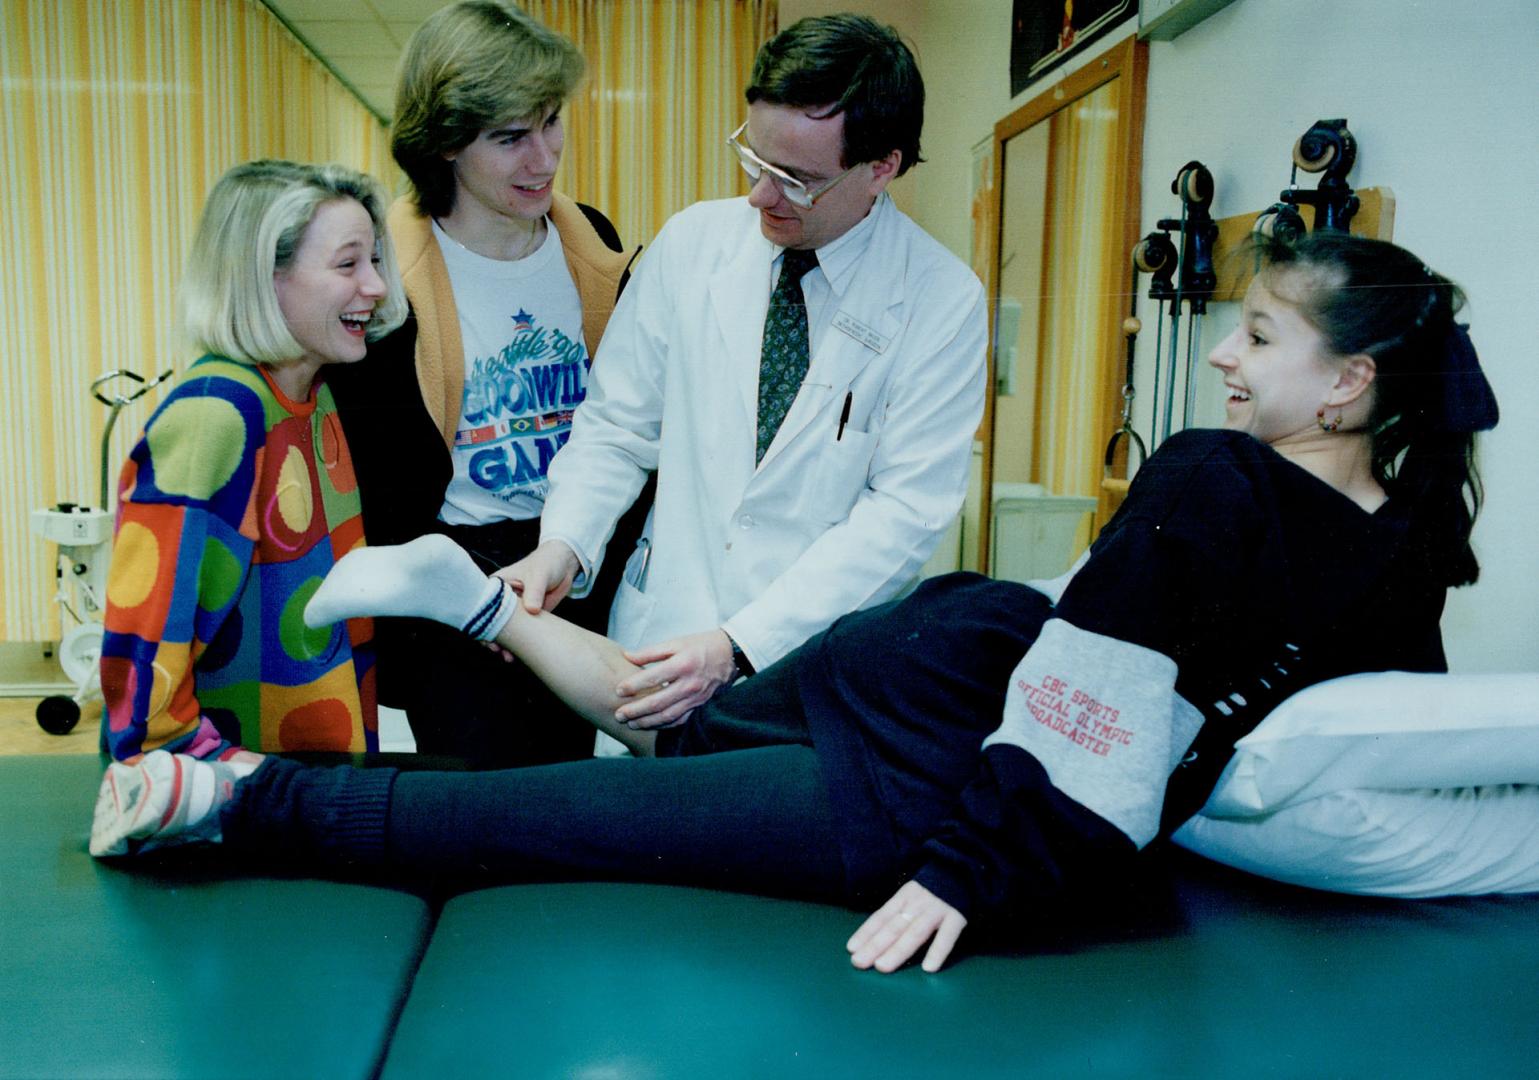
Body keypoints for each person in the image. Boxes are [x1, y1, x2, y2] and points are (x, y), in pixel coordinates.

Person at [91, 232, 1498, 973]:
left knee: (544, 811)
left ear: (1353, 385)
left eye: (1258, 337)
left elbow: (1134, 703)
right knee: (656, 727)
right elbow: (1107, 679)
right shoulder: (1296, 505)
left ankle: (236, 783)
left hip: (932, 771)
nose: (1229, 363)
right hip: (940, 683)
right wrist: (986, 861)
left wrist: (962, 864)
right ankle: (423, 638)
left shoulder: (1348, 540)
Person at [502, 14, 988, 737]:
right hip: (658, 629)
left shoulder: (941, 299)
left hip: (807, 658)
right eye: (754, 161)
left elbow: (904, 512)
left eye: (796, 180)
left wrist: (739, 644)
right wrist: (564, 543)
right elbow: (617, 424)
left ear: (881, 167)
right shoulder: (693, 242)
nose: (761, 196)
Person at [326, 0, 641, 766]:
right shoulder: (383, 281)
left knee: (571, 792)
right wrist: (484, 599)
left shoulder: (591, 238)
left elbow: (625, 423)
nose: (543, 158)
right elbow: (382, 485)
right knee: (485, 819)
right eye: (508, 138)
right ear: (444, 145)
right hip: (456, 578)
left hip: (574, 561)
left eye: (550, 122)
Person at [98, 160, 407, 761]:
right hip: (237, 791)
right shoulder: (218, 415)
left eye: (373, 262)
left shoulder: (313, 400)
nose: (376, 287)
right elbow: (147, 642)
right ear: (262, 278)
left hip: (316, 768)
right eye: (348, 264)